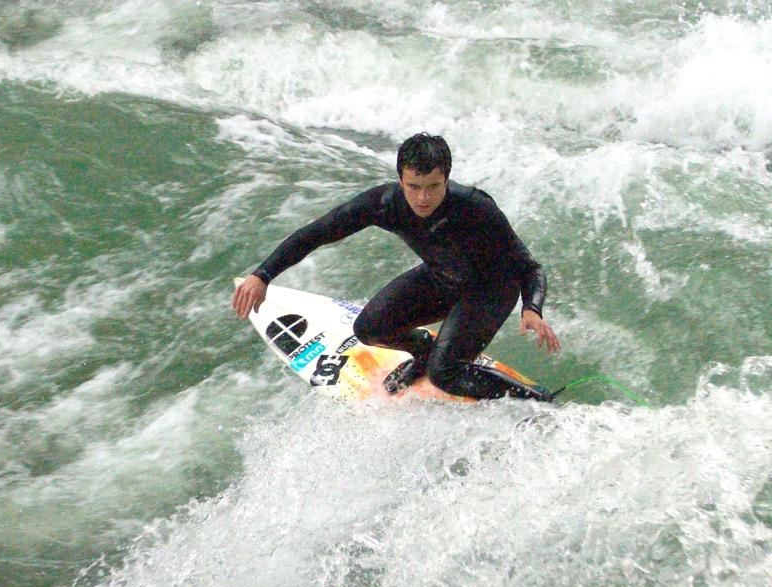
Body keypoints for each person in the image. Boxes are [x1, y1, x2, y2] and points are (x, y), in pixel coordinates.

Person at [232, 133, 560, 401]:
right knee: (369, 328)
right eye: (414, 186)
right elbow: (317, 233)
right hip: (444, 278)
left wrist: (531, 308)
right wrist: (263, 275)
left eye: (433, 186)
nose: (423, 198)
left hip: (491, 290)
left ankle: (535, 401)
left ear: (446, 178)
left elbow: (529, 267)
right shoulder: (385, 204)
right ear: (400, 179)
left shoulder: (475, 207)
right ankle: (424, 352)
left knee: (444, 373)